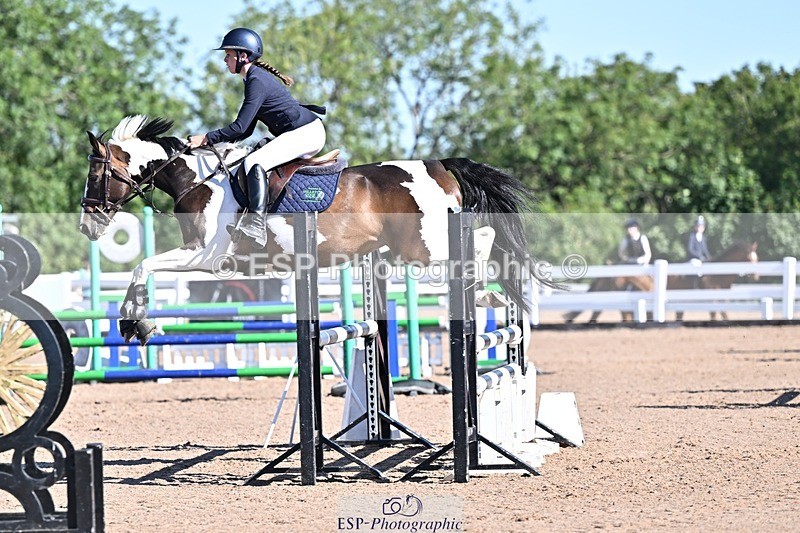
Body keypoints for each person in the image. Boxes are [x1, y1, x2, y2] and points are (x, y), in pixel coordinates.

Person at [188, 27, 326, 248]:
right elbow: (245, 131)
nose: (224, 60)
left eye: (228, 55)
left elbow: (240, 126)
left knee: (254, 162)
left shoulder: (257, 81)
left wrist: (206, 138)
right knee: (251, 158)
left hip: (307, 133)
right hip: (303, 131)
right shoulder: (252, 79)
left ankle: (256, 225)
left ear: (243, 57)